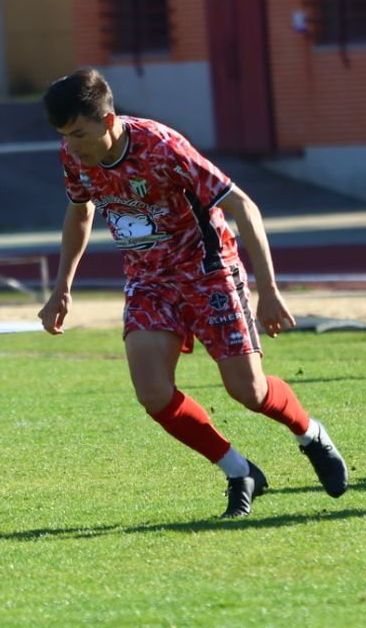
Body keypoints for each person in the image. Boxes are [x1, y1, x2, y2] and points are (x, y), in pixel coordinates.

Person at [38, 67, 348, 518]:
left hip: (209, 273)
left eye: (79, 134)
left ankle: (310, 434)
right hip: (149, 281)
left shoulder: (163, 148)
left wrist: (270, 290)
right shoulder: (75, 156)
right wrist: (62, 286)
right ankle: (238, 470)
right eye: (64, 136)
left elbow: (243, 205)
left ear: (108, 121)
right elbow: (80, 212)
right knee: (153, 393)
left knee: (250, 392)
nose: (72, 146)